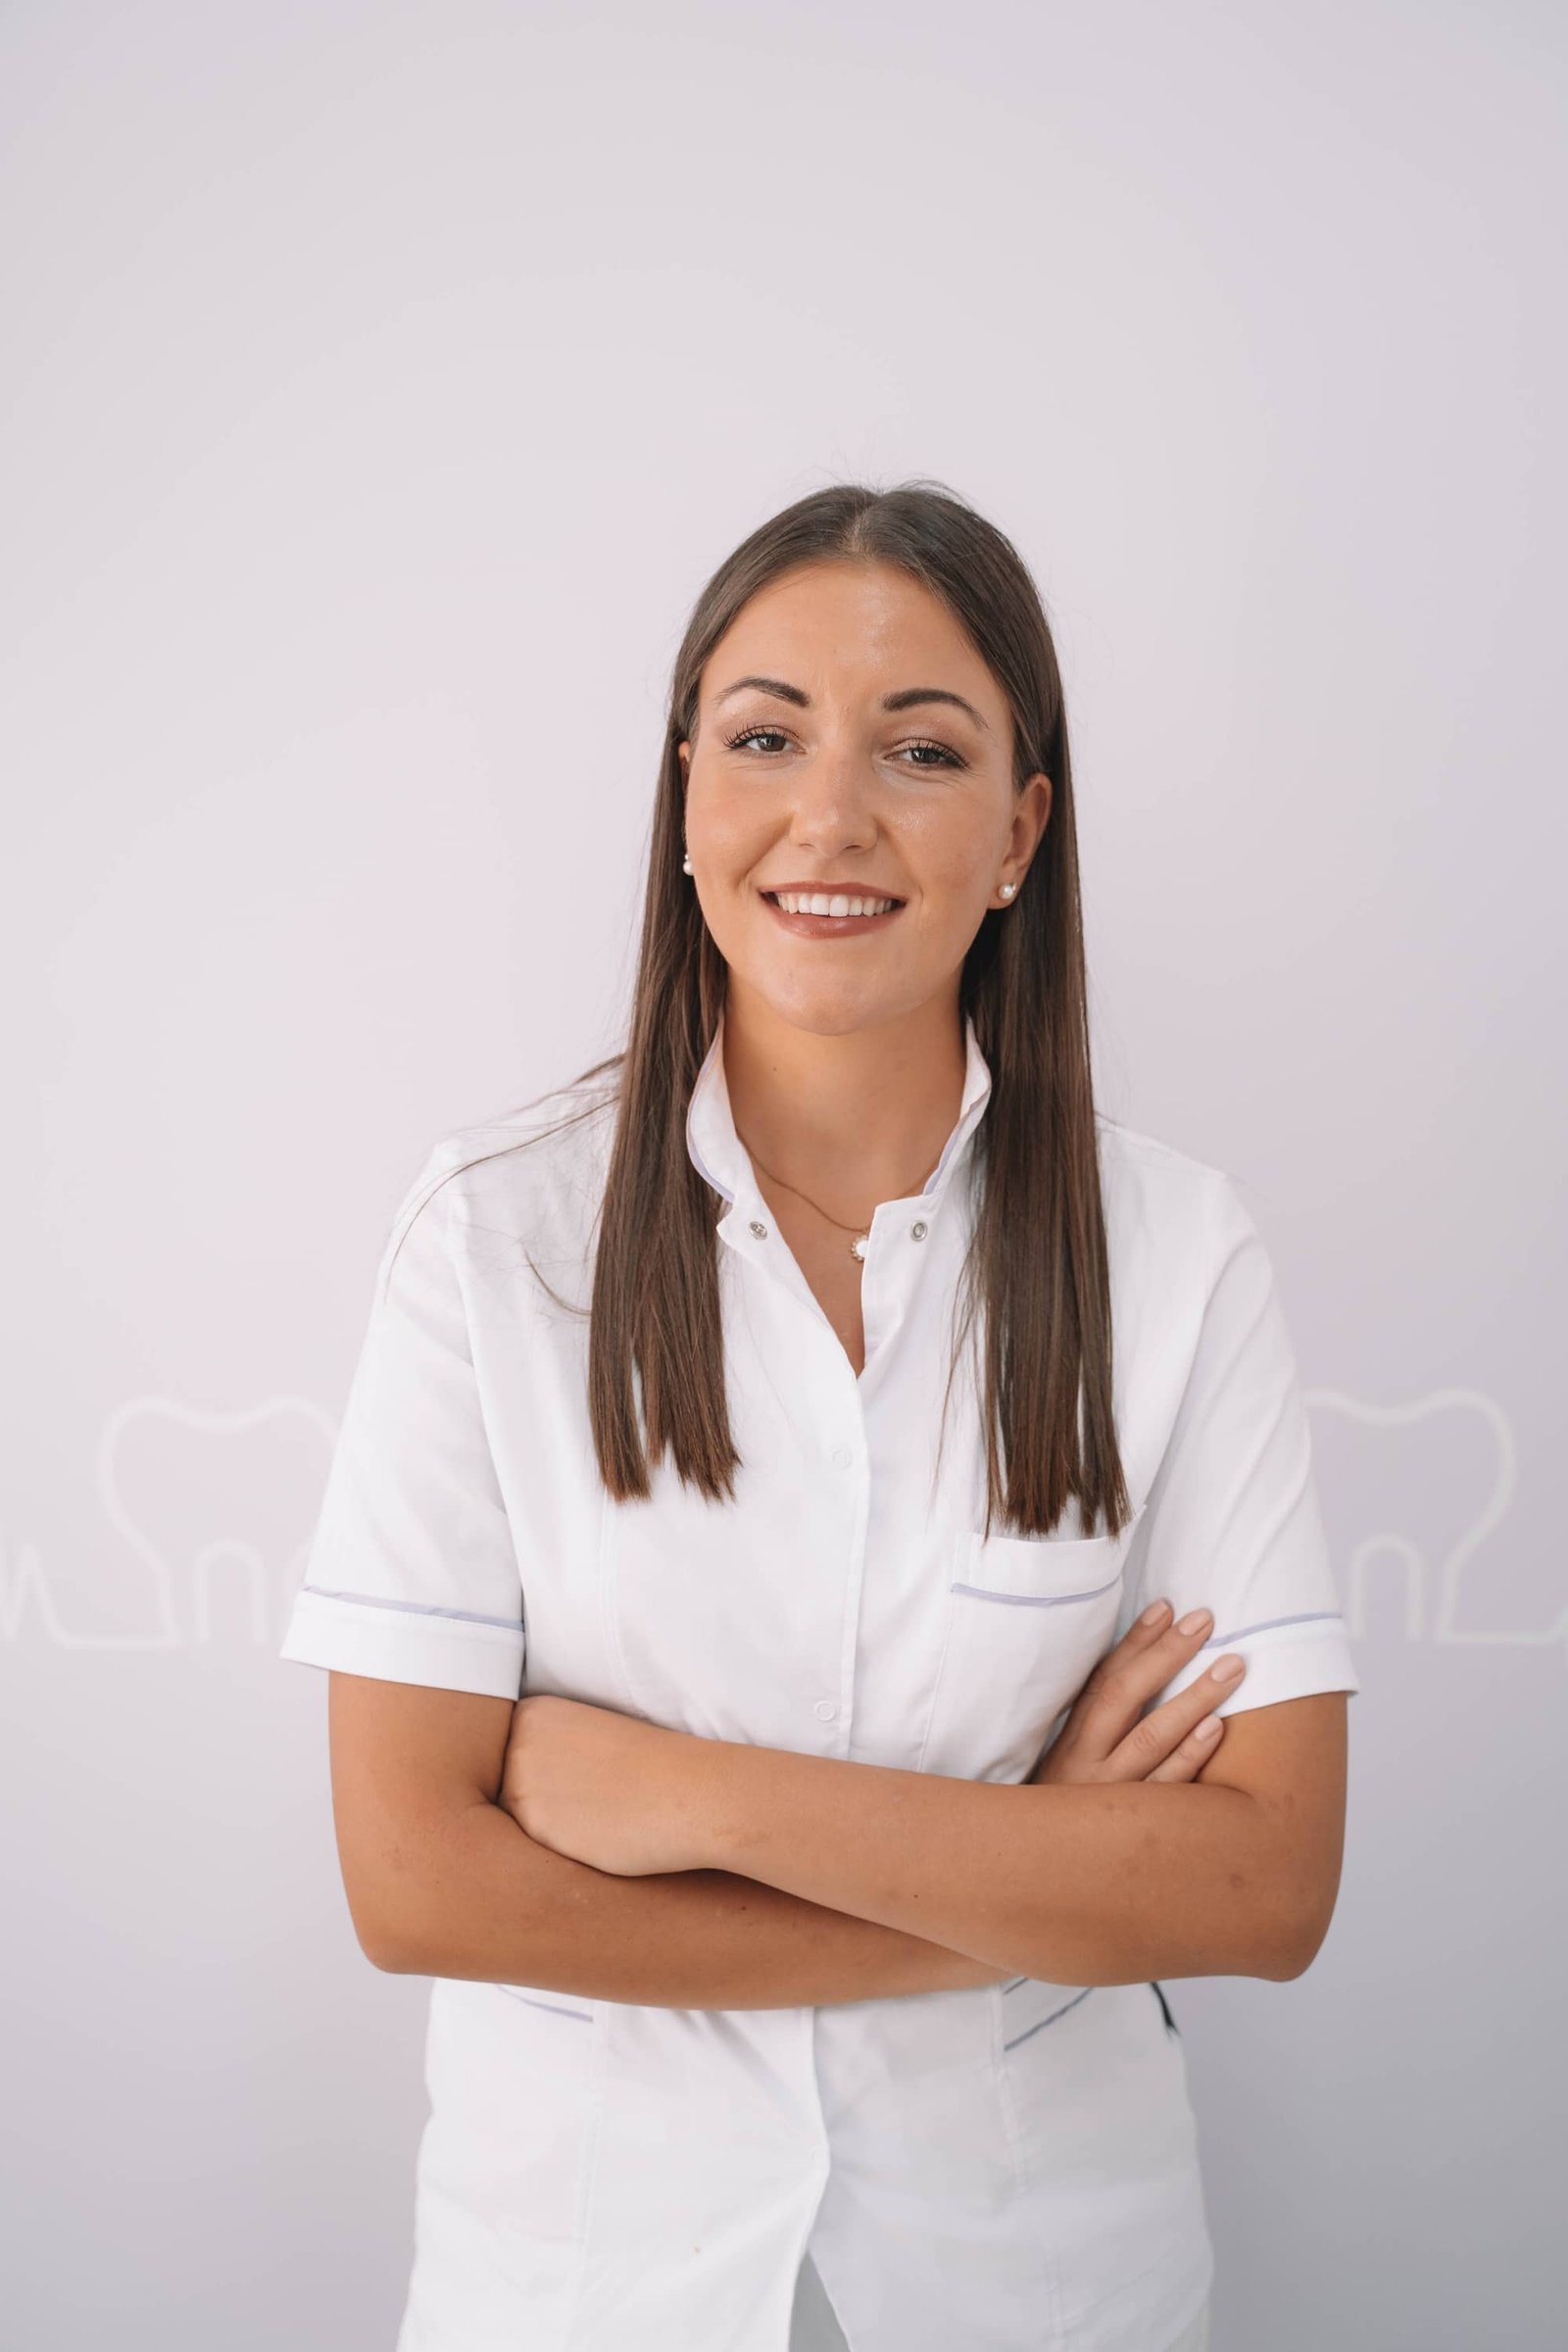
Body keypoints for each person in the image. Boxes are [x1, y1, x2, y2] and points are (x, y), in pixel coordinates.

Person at [280, 479, 1358, 2352]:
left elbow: (1265, 1882)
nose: (831, 814)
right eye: (767, 737)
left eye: (920, 750)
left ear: (1020, 832)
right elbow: (415, 1881)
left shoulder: (1177, 1253)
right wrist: (1027, 1876)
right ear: (687, 795)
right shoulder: (493, 1239)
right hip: (591, 2286)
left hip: (1035, 2285)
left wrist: (681, 1798)